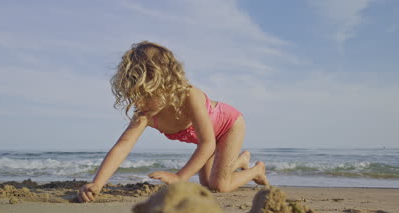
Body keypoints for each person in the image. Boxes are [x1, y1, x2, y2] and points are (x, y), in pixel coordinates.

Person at [78, 41, 268, 203]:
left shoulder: (189, 96)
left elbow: (207, 143)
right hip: (207, 140)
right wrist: (97, 183)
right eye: (134, 96)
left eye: (146, 95)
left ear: (166, 84)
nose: (139, 103)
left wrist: (179, 177)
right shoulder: (145, 113)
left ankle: (256, 170)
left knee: (219, 185)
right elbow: (123, 146)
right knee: (207, 184)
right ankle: (240, 160)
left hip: (228, 126)